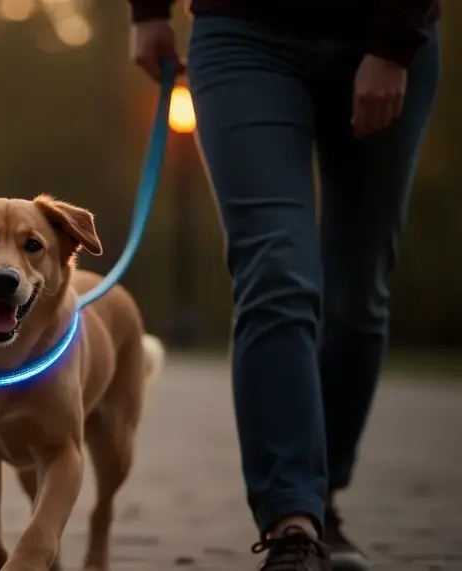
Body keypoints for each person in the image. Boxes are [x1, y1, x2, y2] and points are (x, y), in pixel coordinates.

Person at [126, 0, 441, 570]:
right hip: (243, 35)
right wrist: (147, 11)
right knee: (275, 271)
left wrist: (395, 43)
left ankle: (322, 493)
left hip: (386, 38)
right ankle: (291, 523)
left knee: (356, 296)